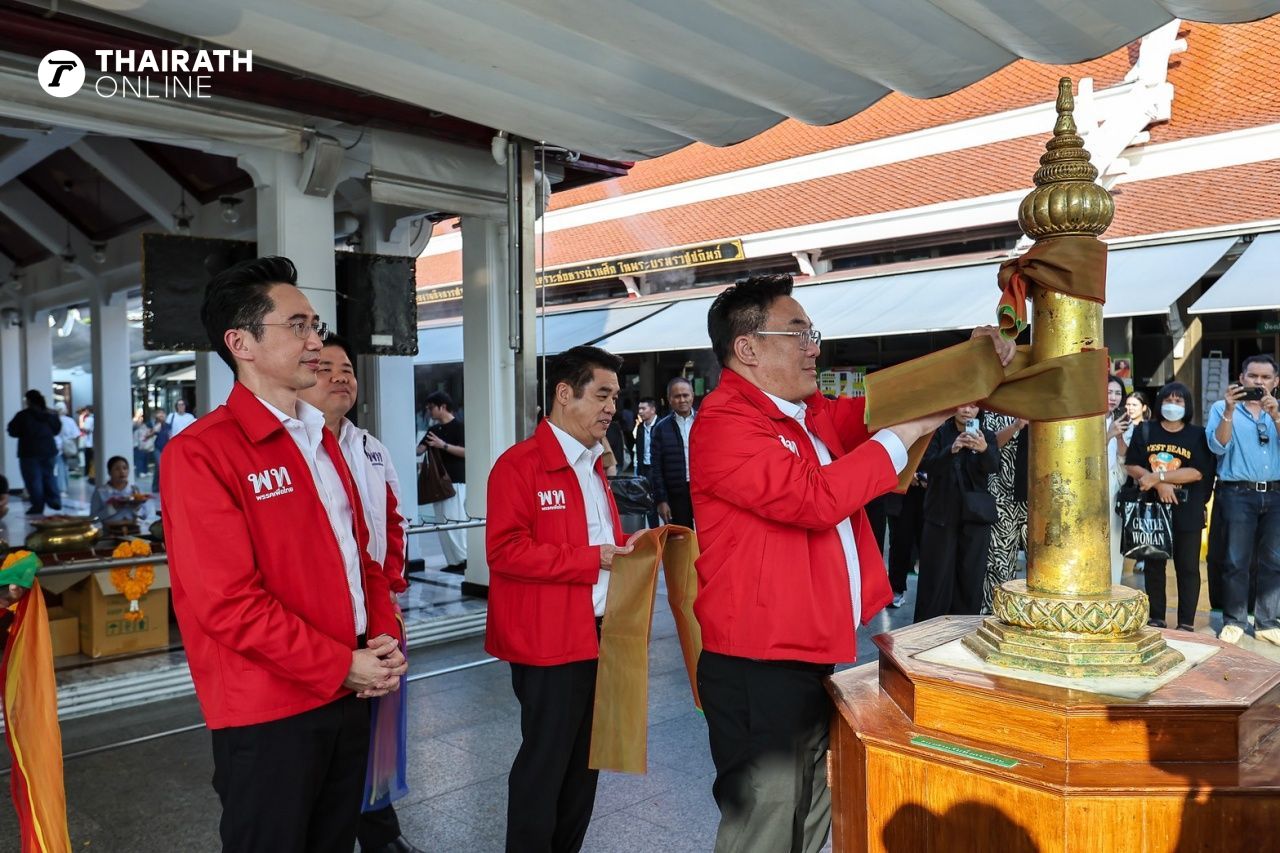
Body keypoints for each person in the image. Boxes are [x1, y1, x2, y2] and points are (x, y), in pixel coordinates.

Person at [689, 273, 1013, 852]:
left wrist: (968, 361)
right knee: (764, 827)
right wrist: (908, 430)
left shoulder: (804, 413)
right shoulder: (723, 423)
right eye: (798, 333)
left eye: (813, 332)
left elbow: (881, 406)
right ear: (748, 348)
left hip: (804, 648)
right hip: (754, 660)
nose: (814, 346)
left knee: (812, 814)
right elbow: (815, 499)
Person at [161, 255, 405, 853]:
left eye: (316, 326)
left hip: (346, 692)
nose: (316, 342)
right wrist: (339, 664)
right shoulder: (201, 453)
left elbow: (361, 559)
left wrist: (381, 636)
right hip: (267, 712)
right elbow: (227, 603)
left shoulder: (321, 440)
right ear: (240, 342)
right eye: (298, 326)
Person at [486, 345, 641, 853]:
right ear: (563, 394)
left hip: (598, 634)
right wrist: (590, 558)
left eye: (615, 397)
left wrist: (627, 554)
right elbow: (505, 551)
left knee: (585, 763)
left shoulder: (595, 465)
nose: (610, 408)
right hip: (548, 641)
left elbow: (598, 544)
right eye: (601, 394)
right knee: (545, 764)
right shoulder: (520, 465)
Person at [298, 336, 422, 853]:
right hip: (321, 626)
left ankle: (378, 830)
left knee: (375, 728)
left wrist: (389, 598)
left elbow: (391, 525)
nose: (342, 377)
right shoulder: (296, 448)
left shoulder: (370, 446)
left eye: (347, 369)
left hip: (374, 610)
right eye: (326, 367)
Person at [1125, 381, 1213, 631]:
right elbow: (1132, 464)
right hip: (1153, 510)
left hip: (1187, 510)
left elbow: (1197, 472)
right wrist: (1157, 485)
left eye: (1178, 401)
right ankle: (1157, 617)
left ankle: (1186, 622)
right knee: (1154, 565)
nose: (1172, 405)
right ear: (1159, 403)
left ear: (1187, 406)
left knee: (1187, 568)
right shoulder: (1145, 430)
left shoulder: (1198, 434)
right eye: (1167, 400)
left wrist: (1159, 477)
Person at [1205, 354, 1280, 645]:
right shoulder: (1221, 408)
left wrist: (1275, 415)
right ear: (1241, 378)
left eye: (1265, 377)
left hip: (1275, 492)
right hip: (1237, 492)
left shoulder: (1278, 410)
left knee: (1274, 561)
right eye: (1253, 376)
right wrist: (1228, 410)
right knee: (1236, 560)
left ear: (1275, 381)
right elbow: (1217, 446)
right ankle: (1234, 620)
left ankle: (1267, 622)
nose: (1258, 382)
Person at [914, 405, 1001, 622]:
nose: (967, 410)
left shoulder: (986, 434)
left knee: (970, 578)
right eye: (962, 404)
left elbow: (994, 467)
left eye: (973, 405)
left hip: (974, 519)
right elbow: (926, 465)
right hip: (941, 515)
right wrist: (951, 450)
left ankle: (962, 633)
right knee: (935, 578)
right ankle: (928, 630)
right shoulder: (939, 432)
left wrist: (984, 449)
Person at [980, 410, 1029, 611]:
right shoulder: (998, 407)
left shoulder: (1045, 403)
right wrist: (1016, 425)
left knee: (1044, 566)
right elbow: (990, 446)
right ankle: (995, 616)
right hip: (1002, 496)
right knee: (999, 565)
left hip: (1038, 499)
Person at [418, 391, 467, 574]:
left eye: (431, 408)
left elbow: (466, 451)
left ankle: (464, 560)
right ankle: (454, 561)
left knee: (455, 520)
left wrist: (442, 445)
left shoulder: (458, 427)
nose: (429, 411)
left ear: (442, 407)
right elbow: (419, 450)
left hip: (455, 480)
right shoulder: (433, 430)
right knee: (443, 522)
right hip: (437, 482)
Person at [7, 390, 63, 516]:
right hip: (49, 450)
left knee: (33, 480)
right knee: (49, 476)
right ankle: (54, 500)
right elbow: (56, 430)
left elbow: (12, 431)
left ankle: (38, 505)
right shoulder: (51, 414)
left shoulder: (23, 415)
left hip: (29, 452)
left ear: (28, 400)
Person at [649, 377, 696, 527]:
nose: (682, 400)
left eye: (685, 395)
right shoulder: (660, 429)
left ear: (692, 396)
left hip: (703, 492)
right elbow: (656, 468)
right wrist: (661, 500)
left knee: (709, 539)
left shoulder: (705, 421)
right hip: (676, 495)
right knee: (681, 540)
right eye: (677, 396)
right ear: (669, 399)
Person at [1105, 374, 1133, 586]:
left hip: (1114, 486)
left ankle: (1112, 588)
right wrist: (1107, 434)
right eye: (1108, 392)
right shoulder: (1086, 419)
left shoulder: (1125, 423)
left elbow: (1125, 458)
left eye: (1117, 393)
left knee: (1114, 544)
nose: (1113, 397)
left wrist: (1119, 435)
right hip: (1089, 484)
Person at [884, 471, 926, 609]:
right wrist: (909, 473)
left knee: (931, 547)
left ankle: (930, 595)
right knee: (899, 542)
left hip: (931, 492)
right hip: (902, 489)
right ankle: (896, 589)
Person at [90, 456, 147, 527]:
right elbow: (93, 519)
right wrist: (112, 508)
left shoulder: (134, 490)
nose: (122, 472)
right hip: (110, 533)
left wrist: (137, 507)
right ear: (109, 472)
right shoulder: (100, 492)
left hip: (133, 531)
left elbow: (144, 516)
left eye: (125, 468)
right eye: (117, 469)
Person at [55, 404, 80, 494]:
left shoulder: (54, 420)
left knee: (60, 467)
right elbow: (76, 435)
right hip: (68, 447)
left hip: (57, 447)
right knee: (65, 467)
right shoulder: (70, 421)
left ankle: (62, 488)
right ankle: (64, 487)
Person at [150, 409, 170, 493]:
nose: (161, 415)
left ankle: (156, 487)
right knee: (159, 465)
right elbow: (148, 435)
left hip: (166, 448)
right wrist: (155, 429)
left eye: (163, 414)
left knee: (159, 468)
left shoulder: (168, 425)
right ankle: (159, 486)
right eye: (159, 414)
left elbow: (169, 435)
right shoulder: (153, 424)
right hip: (156, 448)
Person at [79, 405, 95, 483]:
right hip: (94, 442)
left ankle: (88, 474)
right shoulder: (96, 418)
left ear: (88, 410)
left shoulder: (89, 419)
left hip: (89, 442)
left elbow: (85, 429)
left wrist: (81, 424)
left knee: (88, 459)